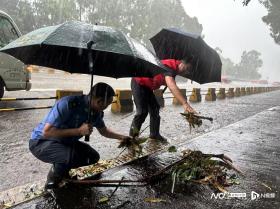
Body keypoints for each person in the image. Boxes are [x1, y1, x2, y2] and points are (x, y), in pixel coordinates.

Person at [29, 82, 132, 189]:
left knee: (92, 157)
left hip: (65, 142)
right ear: (99, 101)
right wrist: (78, 131)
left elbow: (104, 131)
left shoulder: (96, 112)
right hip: (41, 142)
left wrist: (123, 137)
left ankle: (66, 173)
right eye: (108, 104)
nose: (107, 107)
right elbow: (47, 132)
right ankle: (53, 179)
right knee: (72, 157)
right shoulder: (68, 104)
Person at [129, 56, 197, 142]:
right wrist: (185, 103)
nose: (186, 72)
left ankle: (154, 134)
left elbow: (167, 81)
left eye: (188, 71)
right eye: (187, 68)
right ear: (182, 63)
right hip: (139, 82)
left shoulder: (173, 69)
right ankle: (132, 138)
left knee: (155, 109)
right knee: (142, 112)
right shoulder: (170, 67)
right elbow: (172, 86)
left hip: (148, 87)